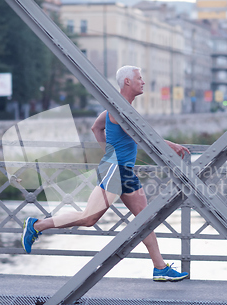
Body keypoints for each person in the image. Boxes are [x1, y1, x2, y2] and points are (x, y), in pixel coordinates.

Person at [22, 65, 190, 282]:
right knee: (89, 218)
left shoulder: (118, 108)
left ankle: (160, 267)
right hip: (114, 171)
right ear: (127, 82)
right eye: (139, 78)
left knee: (146, 219)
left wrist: (109, 151)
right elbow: (141, 136)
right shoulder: (119, 109)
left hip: (124, 171)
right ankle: (36, 225)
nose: (143, 82)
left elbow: (96, 128)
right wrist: (171, 145)